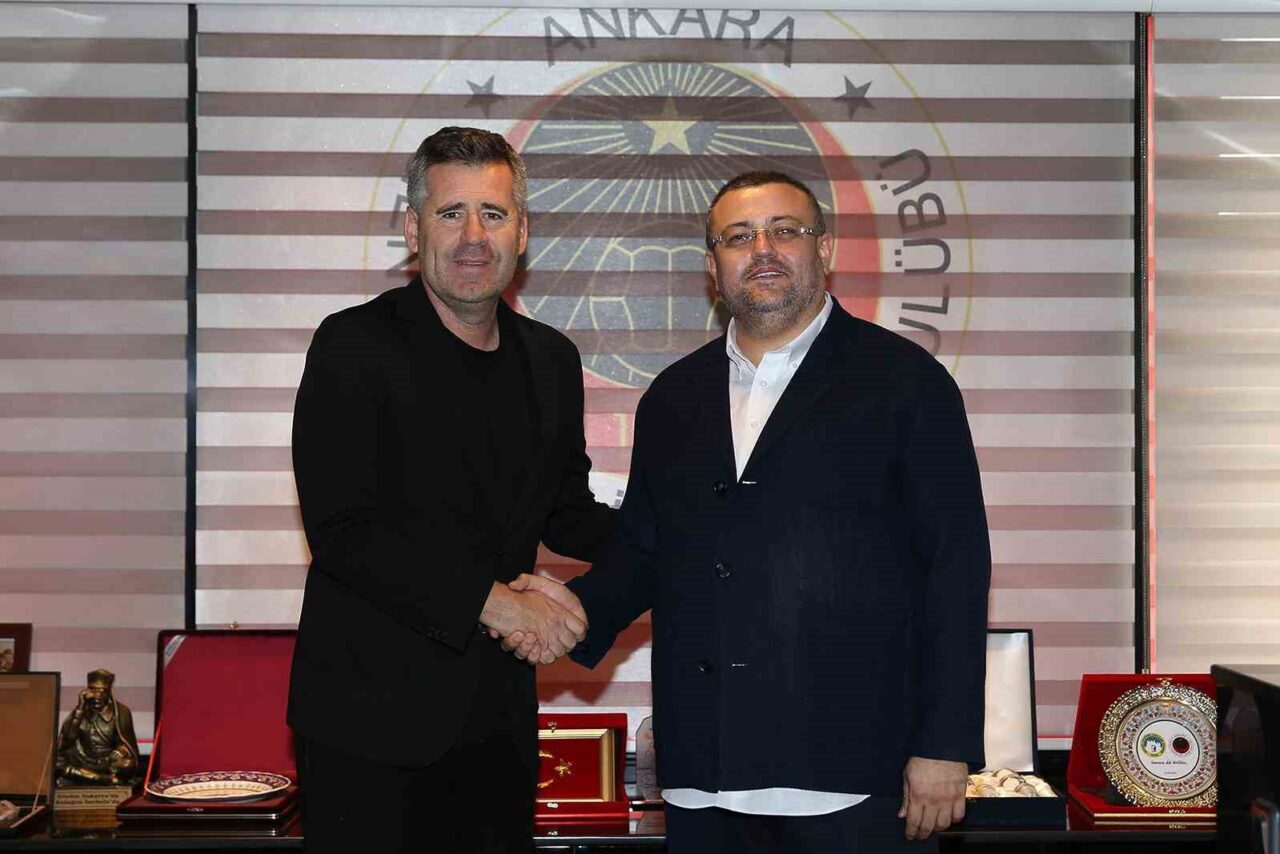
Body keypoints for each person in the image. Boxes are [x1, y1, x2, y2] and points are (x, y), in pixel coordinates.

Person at [511, 170, 991, 852]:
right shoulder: (674, 397)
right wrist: (570, 616)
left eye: (784, 231)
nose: (762, 249)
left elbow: (955, 569)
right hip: (703, 772)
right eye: (738, 237)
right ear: (713, 267)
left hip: (852, 772)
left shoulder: (906, 382)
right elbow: (645, 552)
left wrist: (944, 745)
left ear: (824, 248)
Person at [288, 126, 613, 854]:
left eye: (493, 214)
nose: (473, 237)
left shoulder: (552, 360)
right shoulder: (353, 345)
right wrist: (499, 603)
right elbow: (345, 532)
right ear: (413, 229)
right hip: (367, 729)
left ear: (522, 232)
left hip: (498, 724)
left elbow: (567, 511)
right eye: (450, 213)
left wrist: (682, 532)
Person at [56, 668, 140, 786]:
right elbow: (68, 740)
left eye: (102, 691)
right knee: (57, 764)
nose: (97, 696)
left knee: (127, 765)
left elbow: (127, 742)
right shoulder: (81, 711)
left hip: (109, 761)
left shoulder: (121, 712)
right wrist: (79, 709)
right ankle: (102, 779)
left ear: (108, 692)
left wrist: (121, 750)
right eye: (93, 691)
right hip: (83, 759)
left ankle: (85, 776)